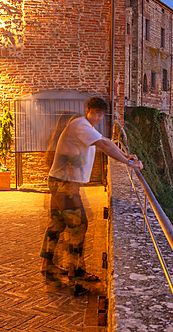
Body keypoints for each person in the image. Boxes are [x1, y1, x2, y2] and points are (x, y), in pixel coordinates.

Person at [40, 97, 143, 296]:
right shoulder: (81, 125)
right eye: (95, 113)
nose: (97, 117)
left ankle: (47, 266)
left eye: (100, 114)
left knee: (57, 224)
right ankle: (77, 278)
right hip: (64, 185)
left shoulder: (84, 126)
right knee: (79, 225)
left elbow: (104, 142)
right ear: (88, 111)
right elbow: (104, 143)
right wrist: (127, 161)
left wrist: (123, 155)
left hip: (61, 182)